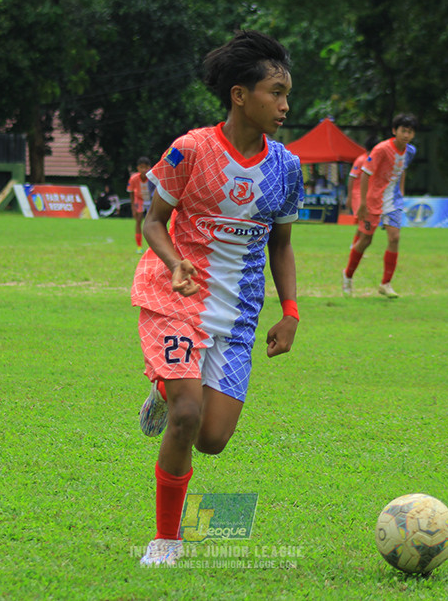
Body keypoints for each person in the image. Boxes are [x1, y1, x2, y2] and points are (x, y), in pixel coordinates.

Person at [131, 30, 303, 567]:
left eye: (286, 93)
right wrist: (173, 260)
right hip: (177, 296)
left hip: (237, 315)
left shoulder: (286, 169)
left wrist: (291, 311)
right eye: (275, 92)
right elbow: (153, 220)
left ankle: (166, 389)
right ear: (239, 95)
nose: (284, 104)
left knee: (211, 439)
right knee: (186, 414)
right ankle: (166, 540)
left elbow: (282, 245)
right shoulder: (191, 149)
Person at [341, 113, 417, 298]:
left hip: (394, 201)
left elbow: (403, 169)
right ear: (394, 131)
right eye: (403, 131)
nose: (406, 135)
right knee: (366, 240)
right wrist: (364, 202)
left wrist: (402, 190)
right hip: (374, 201)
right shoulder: (382, 149)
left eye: (410, 132)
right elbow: (366, 174)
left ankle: (386, 284)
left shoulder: (411, 151)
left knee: (394, 238)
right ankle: (348, 275)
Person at [127, 157, 153, 252]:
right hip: (140, 200)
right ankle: (139, 246)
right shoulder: (134, 178)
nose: (144, 170)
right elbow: (131, 192)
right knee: (138, 221)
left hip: (150, 200)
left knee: (152, 222)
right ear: (138, 168)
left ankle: (153, 247)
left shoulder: (152, 177)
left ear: (149, 168)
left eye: (146, 167)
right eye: (141, 167)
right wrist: (133, 207)